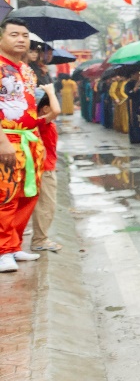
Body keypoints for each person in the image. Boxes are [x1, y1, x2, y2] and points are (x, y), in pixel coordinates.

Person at [0, 17, 47, 273]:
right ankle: (2, 249)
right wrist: (2, 141)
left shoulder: (26, 70)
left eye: (25, 36)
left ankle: (15, 244)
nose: (21, 40)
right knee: (5, 195)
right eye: (14, 34)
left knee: (27, 194)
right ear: (1, 38)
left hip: (31, 139)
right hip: (6, 140)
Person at [24, 37, 59, 254]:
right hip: (43, 161)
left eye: (38, 51)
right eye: (33, 50)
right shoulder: (41, 119)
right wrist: (50, 93)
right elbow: (55, 110)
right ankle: (40, 238)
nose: (37, 54)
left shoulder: (35, 71)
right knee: (46, 200)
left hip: (41, 157)